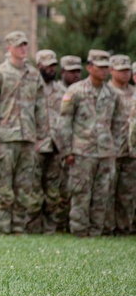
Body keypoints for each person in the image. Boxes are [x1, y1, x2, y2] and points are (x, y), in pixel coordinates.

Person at [0, 31, 46, 235]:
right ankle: (2, 228)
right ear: (8, 48)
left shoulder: (34, 75)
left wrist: (40, 136)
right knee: (3, 185)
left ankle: (18, 227)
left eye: (25, 45)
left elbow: (40, 107)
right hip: (5, 137)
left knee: (24, 186)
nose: (23, 49)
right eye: (19, 45)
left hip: (27, 136)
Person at [59, 50, 127, 237]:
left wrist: (114, 148)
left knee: (101, 194)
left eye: (106, 67)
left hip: (105, 153)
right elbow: (64, 123)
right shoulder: (75, 91)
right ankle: (79, 230)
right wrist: (67, 151)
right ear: (89, 67)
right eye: (100, 67)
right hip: (82, 151)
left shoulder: (112, 94)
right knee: (80, 192)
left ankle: (96, 231)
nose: (104, 71)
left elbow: (118, 123)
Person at [29, 49, 64, 234]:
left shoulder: (61, 90)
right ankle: (32, 228)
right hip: (36, 144)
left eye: (53, 65)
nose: (51, 69)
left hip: (56, 146)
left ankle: (50, 229)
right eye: (47, 65)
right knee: (33, 191)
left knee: (52, 191)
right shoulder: (32, 86)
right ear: (38, 66)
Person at [105, 55, 134, 236]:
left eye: (127, 70)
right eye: (121, 70)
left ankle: (124, 228)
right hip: (110, 149)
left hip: (131, 151)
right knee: (107, 191)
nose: (125, 73)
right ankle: (107, 228)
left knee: (127, 193)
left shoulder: (134, 92)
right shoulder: (106, 91)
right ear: (111, 70)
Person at [55, 55, 84, 232]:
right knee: (58, 188)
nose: (76, 75)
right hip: (56, 145)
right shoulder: (55, 90)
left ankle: (66, 225)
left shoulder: (81, 91)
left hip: (79, 146)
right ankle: (58, 224)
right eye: (71, 71)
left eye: (78, 71)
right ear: (63, 71)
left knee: (72, 187)